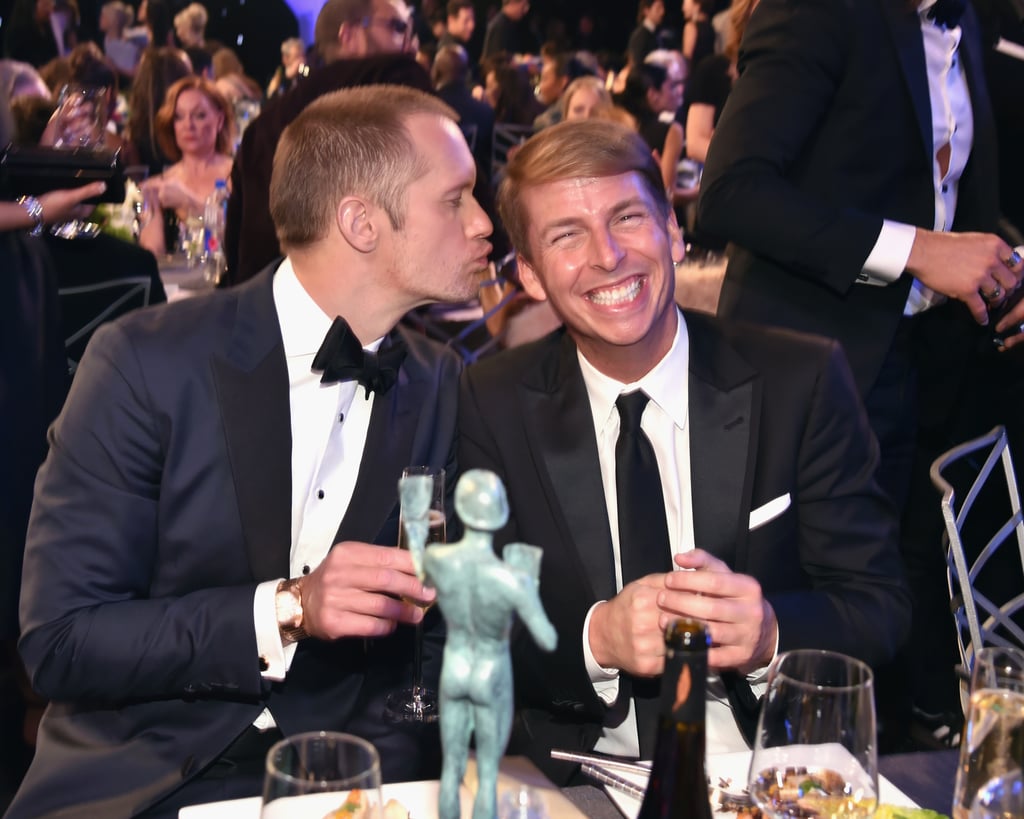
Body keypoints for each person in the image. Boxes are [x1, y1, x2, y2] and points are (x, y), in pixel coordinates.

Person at [9, 83, 493, 819]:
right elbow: (61, 639)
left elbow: (443, 632)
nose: (484, 223)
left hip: (358, 779)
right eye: (455, 200)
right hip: (150, 774)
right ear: (361, 222)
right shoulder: (145, 363)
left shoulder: (437, 380)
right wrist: (288, 607)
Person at [458, 119, 910, 782]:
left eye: (628, 218)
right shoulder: (488, 400)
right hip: (577, 779)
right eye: (566, 236)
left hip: (771, 772)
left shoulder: (800, 379)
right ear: (528, 273)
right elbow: (474, 630)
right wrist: (597, 638)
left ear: (674, 230)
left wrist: (769, 633)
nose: (608, 255)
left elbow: (880, 605)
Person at [697, 0, 1024, 739]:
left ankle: (887, 758)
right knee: (807, 608)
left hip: (913, 361)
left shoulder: (966, 23)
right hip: (800, 369)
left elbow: (954, 206)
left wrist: (1004, 266)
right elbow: (731, 192)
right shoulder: (818, 12)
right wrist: (915, 250)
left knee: (893, 600)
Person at [223, 0, 428, 286]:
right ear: (349, 36)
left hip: (269, 303)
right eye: (397, 27)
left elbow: (237, 244)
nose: (410, 45)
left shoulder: (264, 124)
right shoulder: (396, 77)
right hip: (372, 304)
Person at [400, 469, 556, 819]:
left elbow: (417, 573)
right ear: (499, 516)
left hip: (454, 670)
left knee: (450, 771)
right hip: (491, 673)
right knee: (486, 777)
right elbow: (546, 637)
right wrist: (529, 584)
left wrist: (413, 521)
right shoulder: (510, 577)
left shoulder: (441, 560)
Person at [138, 75, 235, 258]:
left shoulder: (239, 175)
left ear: (220, 120)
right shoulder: (158, 185)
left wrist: (189, 203)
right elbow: (152, 257)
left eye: (199, 115)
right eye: (179, 117)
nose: (188, 125)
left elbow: (247, 236)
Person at [627, 0, 665, 70]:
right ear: (647, 11)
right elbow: (637, 65)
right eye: (658, 8)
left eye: (663, 7)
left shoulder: (656, 33)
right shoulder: (640, 36)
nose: (662, 12)